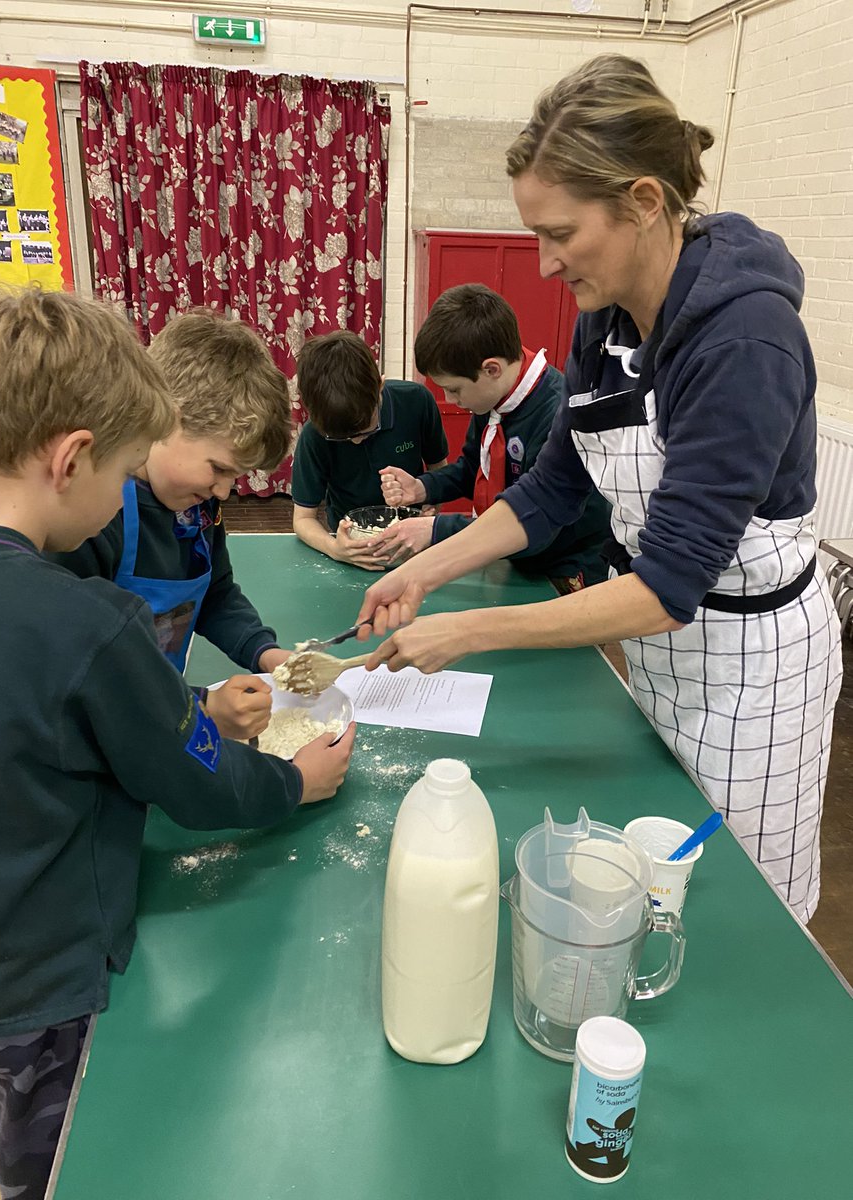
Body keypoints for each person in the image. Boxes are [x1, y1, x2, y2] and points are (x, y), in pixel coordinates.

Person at [358, 54, 842, 923]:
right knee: (655, 876)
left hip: (751, 670)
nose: (543, 263)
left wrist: (465, 629)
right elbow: (550, 490)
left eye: (560, 233)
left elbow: (665, 588)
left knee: (739, 907)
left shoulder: (742, 342)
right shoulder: (605, 320)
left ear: (644, 201)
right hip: (662, 650)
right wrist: (426, 568)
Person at [0, 285, 354, 1200]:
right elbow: (195, 778)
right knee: (62, 1159)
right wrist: (292, 781)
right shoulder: (83, 619)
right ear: (74, 459)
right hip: (41, 984)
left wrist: (232, 667)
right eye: (125, 469)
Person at [52, 308, 296, 741]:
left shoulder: (198, 507)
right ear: (166, 417)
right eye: (219, 469)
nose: (224, 491)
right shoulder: (92, 519)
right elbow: (78, 669)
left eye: (235, 477)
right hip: (92, 731)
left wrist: (265, 652)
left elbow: (216, 595)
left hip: (157, 719)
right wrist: (201, 707)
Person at [375, 283, 610, 591]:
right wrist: (422, 488)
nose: (450, 399)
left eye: (455, 389)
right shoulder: (495, 398)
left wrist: (435, 529)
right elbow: (474, 469)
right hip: (515, 559)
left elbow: (534, 524)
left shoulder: (555, 414)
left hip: (563, 568)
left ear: (491, 369)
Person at [291, 329, 448, 571]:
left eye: (365, 430)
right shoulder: (316, 435)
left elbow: (440, 471)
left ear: (380, 387)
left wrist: (431, 508)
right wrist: (335, 549)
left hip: (414, 544)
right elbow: (303, 519)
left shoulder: (416, 402)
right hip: (352, 549)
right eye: (342, 437)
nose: (355, 442)